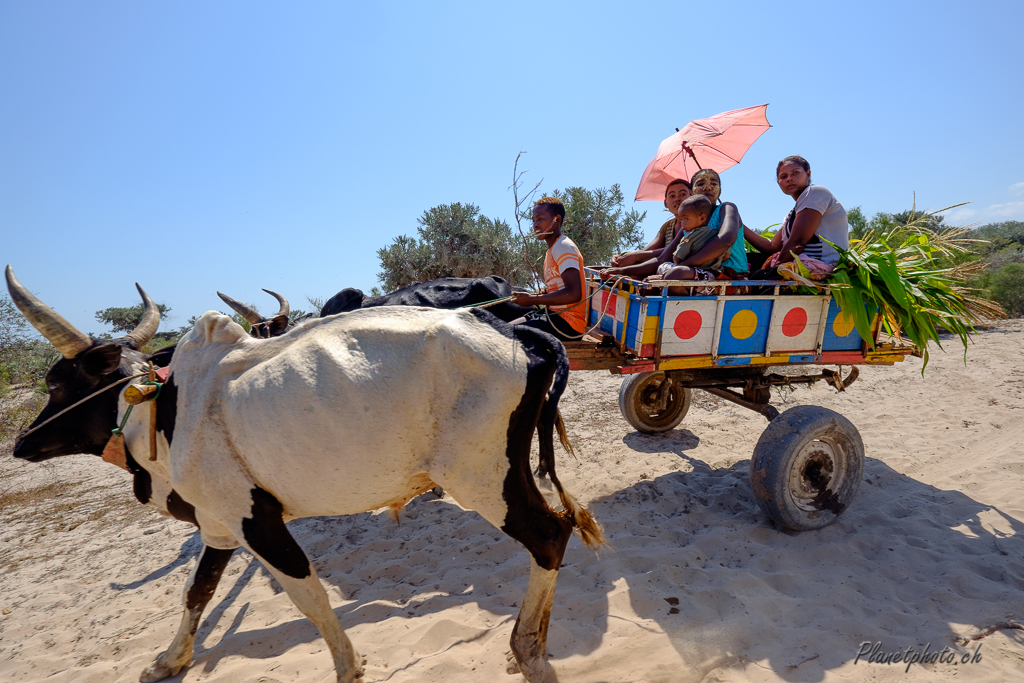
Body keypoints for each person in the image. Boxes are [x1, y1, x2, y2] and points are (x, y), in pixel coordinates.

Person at [601, 168, 748, 280]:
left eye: (713, 183)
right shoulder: (688, 223)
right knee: (658, 270)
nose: (707, 187)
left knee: (675, 273)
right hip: (698, 274)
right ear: (692, 192)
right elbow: (663, 258)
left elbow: (725, 239)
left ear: (720, 190)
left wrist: (682, 266)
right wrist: (622, 271)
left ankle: (666, 280)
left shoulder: (727, 208)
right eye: (701, 184)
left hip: (730, 276)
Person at [744, 156, 849, 279]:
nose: (789, 178)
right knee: (742, 261)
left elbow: (798, 242)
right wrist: (738, 225)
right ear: (778, 182)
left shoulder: (815, 192)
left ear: (808, 174)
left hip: (820, 268)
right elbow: (772, 248)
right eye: (783, 176)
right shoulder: (791, 215)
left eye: (795, 173)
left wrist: (773, 269)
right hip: (798, 265)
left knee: (748, 280)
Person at [510, 197, 587, 340]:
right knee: (504, 329)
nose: (535, 224)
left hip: (568, 324)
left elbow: (575, 293)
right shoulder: (552, 250)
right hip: (554, 317)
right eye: (533, 220)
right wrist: (545, 293)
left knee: (509, 336)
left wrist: (533, 299)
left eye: (540, 219)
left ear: (556, 219)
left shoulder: (564, 246)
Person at [646, 194, 723, 294]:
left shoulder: (689, 236)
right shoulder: (716, 233)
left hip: (698, 276)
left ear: (702, 218)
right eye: (681, 220)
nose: (682, 223)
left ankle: (685, 295)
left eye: (686, 219)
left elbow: (677, 259)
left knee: (665, 267)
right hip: (712, 277)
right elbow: (726, 255)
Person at [610, 179, 691, 267]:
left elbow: (675, 249)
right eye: (672, 196)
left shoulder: (696, 223)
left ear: (692, 196)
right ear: (665, 203)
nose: (677, 199)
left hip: (682, 268)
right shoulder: (667, 226)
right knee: (628, 258)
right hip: (662, 264)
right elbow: (648, 250)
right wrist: (623, 257)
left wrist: (636, 256)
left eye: (683, 194)